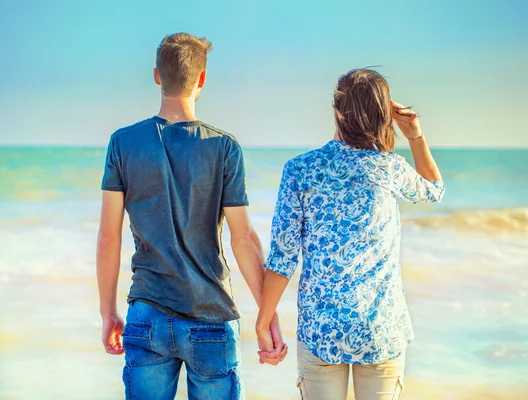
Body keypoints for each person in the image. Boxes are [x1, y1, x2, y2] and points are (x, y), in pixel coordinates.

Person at [96, 32, 286, 400]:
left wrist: (108, 312)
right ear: (201, 79)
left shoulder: (123, 142)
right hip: (210, 317)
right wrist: (268, 315)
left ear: (156, 76)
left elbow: (109, 238)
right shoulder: (223, 147)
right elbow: (243, 238)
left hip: (146, 315)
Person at [255, 68, 445, 400]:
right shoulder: (390, 169)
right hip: (380, 330)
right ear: (384, 116)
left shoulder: (301, 169)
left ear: (336, 110)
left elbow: (283, 256)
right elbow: (434, 190)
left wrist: (264, 320)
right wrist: (415, 135)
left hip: (321, 330)